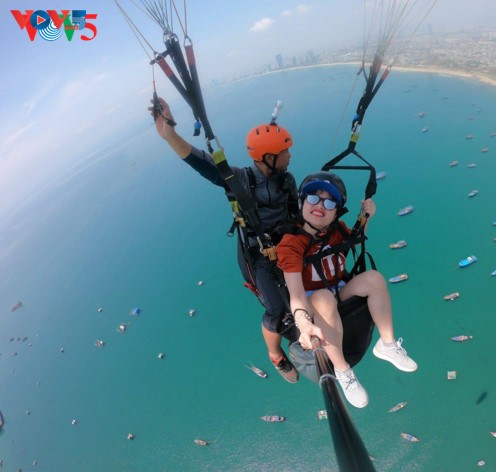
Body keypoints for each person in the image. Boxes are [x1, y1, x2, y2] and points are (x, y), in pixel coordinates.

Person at [150, 97, 300, 383]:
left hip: (286, 244)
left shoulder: (287, 180)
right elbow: (202, 162)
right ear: (269, 157)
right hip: (256, 254)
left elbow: (297, 213)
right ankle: (275, 354)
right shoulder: (240, 180)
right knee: (277, 308)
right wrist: (170, 136)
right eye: (285, 152)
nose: (290, 156)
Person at [276, 171, 418, 408]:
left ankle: (387, 344)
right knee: (323, 298)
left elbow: (353, 241)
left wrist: (365, 216)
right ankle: (343, 372)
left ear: (336, 212)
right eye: (313, 198)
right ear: (302, 202)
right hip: (312, 302)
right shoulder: (291, 244)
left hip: (336, 290)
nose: (320, 205)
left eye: (329, 202)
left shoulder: (337, 230)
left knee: (374, 278)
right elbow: (297, 294)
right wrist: (303, 323)